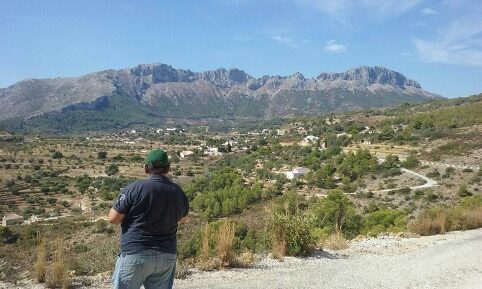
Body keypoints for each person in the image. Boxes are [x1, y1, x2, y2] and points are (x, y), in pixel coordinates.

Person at [108, 149, 189, 289]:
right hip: (166, 255)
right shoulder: (178, 192)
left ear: (146, 168)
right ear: (168, 169)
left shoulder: (134, 188)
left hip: (136, 252)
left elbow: (113, 219)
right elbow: (183, 219)